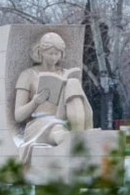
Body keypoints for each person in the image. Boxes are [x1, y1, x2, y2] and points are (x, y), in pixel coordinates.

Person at [14, 32, 93, 165]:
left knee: (73, 82)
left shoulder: (64, 73)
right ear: (41, 53)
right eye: (50, 53)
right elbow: (18, 116)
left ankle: (79, 132)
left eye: (57, 54)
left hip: (62, 117)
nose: (54, 57)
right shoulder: (27, 75)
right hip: (38, 123)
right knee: (59, 132)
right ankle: (75, 142)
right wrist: (35, 102)